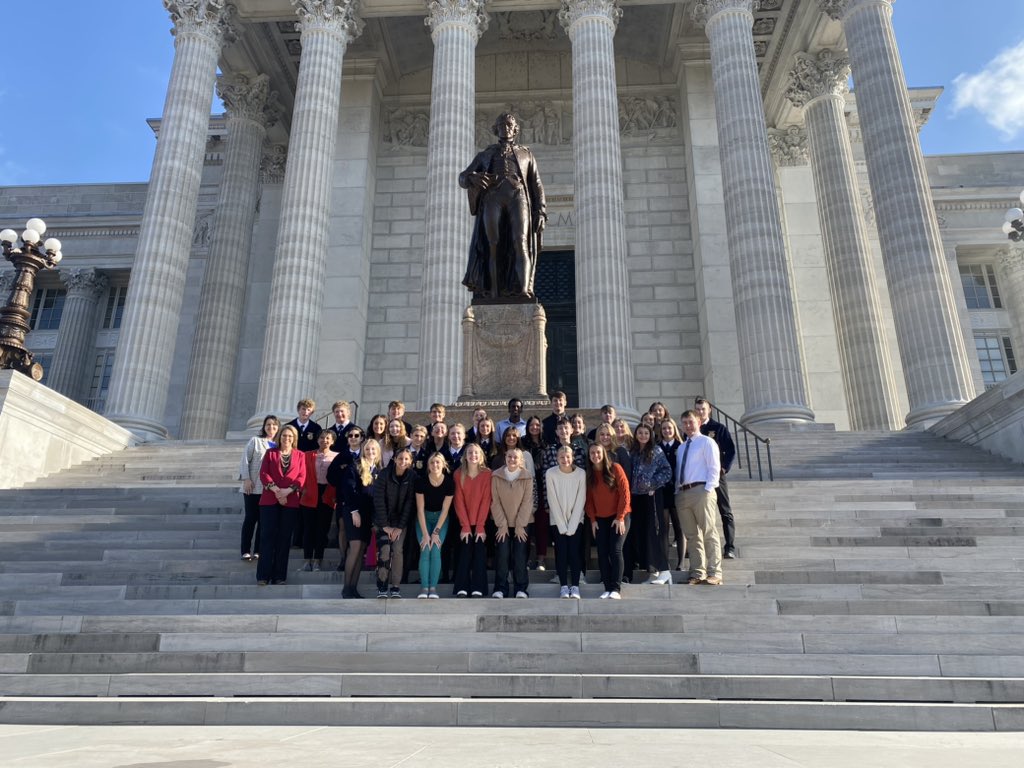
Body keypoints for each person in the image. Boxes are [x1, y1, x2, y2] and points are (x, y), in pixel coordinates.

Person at [459, 112, 547, 300]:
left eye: (509, 124)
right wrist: (473, 177)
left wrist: (541, 211)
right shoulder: (486, 154)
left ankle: (524, 290)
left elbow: (536, 184)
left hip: (518, 197)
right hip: (493, 198)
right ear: (495, 129)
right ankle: (493, 292)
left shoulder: (526, 154)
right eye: (501, 125)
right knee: (493, 245)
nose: (505, 128)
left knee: (520, 241)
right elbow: (463, 177)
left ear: (515, 129)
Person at [676, 409, 723, 586]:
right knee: (692, 535)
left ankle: (715, 572)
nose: (687, 426)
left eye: (691, 422)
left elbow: (714, 467)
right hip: (683, 493)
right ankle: (697, 572)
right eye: (684, 422)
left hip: (701, 490)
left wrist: (708, 489)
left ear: (699, 423)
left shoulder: (707, 442)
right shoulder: (681, 447)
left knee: (709, 532)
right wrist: (677, 491)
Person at [256, 425, 306, 586]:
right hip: (270, 500)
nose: (287, 438)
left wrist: (287, 492)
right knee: (267, 537)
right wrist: (277, 491)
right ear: (279, 437)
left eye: (290, 436)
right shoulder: (270, 453)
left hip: (290, 501)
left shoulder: (300, 455)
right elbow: (264, 473)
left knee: (284, 540)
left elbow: (301, 477)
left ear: (294, 438)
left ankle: (279, 576)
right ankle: (263, 576)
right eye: (284, 435)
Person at [332, 437, 381, 598]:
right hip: (354, 512)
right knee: (354, 548)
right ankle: (346, 588)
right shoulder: (356, 466)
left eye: (373, 449)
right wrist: (354, 512)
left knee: (361, 551)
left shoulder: (378, 470)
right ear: (363, 451)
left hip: (367, 515)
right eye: (367, 449)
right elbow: (349, 489)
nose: (370, 452)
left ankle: (354, 588)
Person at [628, 423, 673, 585]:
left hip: (651, 496)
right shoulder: (633, 452)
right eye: (640, 433)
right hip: (636, 498)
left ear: (651, 435)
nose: (643, 436)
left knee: (655, 532)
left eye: (646, 433)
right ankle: (652, 572)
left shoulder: (656, 451)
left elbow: (667, 471)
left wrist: (653, 484)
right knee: (643, 534)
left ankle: (665, 571)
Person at [586, 443, 631, 600]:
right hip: (600, 519)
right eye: (592, 453)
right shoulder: (590, 474)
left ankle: (616, 589)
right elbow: (589, 501)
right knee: (602, 553)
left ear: (603, 453)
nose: (595, 455)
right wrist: (592, 520)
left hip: (619, 517)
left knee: (616, 550)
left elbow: (625, 494)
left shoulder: (615, 468)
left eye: (598, 452)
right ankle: (607, 588)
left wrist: (620, 517)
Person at [696, 396, 738, 559]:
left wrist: (724, 468)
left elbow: (730, 450)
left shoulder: (718, 428)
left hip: (716, 476)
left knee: (724, 510)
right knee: (701, 513)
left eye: (703, 409)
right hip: (698, 477)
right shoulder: (693, 429)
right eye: (697, 409)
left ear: (709, 409)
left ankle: (730, 546)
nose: (700, 412)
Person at [373, 447, 416, 598]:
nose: (403, 461)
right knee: (385, 550)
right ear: (395, 459)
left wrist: (398, 527)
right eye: (400, 458)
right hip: (382, 521)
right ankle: (382, 586)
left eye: (406, 459)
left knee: (397, 550)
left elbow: (410, 503)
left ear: (410, 462)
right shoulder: (384, 474)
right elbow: (378, 500)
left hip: (400, 523)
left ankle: (395, 586)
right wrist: (385, 525)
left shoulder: (412, 476)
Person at [491, 448, 533, 598]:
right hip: (502, 524)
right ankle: (500, 588)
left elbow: (527, 503)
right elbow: (495, 502)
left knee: (520, 556)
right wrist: (502, 525)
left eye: (516, 457)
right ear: (505, 458)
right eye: (509, 456)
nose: (512, 460)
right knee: (502, 555)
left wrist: (520, 526)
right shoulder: (496, 476)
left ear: (521, 460)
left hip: (522, 524)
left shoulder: (527, 477)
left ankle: (521, 588)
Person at [546, 445, 586, 599]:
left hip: (576, 521)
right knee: (561, 553)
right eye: (561, 457)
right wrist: (562, 525)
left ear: (573, 457)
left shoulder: (581, 474)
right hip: (557, 522)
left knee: (575, 553)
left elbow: (581, 498)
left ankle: (575, 586)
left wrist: (573, 525)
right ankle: (563, 586)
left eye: (568, 456)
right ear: (557, 458)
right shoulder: (551, 473)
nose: (565, 459)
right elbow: (552, 499)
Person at [238, 414, 279, 562]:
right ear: (264, 427)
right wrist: (246, 478)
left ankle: (258, 550)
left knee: (264, 521)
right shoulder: (255, 441)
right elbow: (245, 459)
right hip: (253, 486)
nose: (271, 428)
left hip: (269, 490)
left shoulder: (279, 445)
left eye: (274, 425)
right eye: (268, 425)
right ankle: (245, 550)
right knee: (250, 518)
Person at [453, 443, 492, 597]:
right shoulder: (458, 474)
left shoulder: (488, 474)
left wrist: (480, 526)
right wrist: (465, 526)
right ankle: (461, 587)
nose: (473, 455)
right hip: (464, 523)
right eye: (470, 453)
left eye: (476, 453)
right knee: (464, 553)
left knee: (479, 554)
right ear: (465, 456)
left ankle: (478, 587)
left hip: (481, 522)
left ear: (481, 456)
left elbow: (486, 500)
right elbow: (458, 501)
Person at [415, 452, 455, 599]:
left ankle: (433, 588)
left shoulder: (449, 483)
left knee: (436, 549)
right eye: (432, 463)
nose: (435, 465)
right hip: (424, 518)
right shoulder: (421, 482)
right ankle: (424, 588)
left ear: (443, 464)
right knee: (425, 548)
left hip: (440, 518)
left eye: (438, 462)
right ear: (428, 465)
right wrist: (426, 534)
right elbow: (419, 509)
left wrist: (436, 532)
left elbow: (445, 510)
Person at [298, 429, 339, 572]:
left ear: (333, 441)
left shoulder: (337, 457)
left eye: (328, 438)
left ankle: (317, 560)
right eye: (321, 437)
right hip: (310, 494)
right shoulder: (308, 455)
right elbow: (301, 473)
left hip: (327, 495)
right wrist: (302, 489)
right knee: (308, 529)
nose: (324, 440)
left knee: (322, 530)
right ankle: (307, 560)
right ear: (317, 440)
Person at [329, 426, 365, 571]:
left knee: (362, 530)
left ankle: (360, 558)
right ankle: (344, 558)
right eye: (350, 436)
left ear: (362, 438)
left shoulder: (366, 454)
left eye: (357, 435)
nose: (353, 438)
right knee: (343, 527)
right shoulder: (341, 456)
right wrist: (344, 482)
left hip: (363, 500)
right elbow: (330, 476)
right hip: (344, 498)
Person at [287, 398, 321, 546]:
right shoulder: (289, 427)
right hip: (291, 468)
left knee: (305, 503)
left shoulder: (316, 427)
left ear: (311, 412)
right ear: (298, 410)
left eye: (308, 410)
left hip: (308, 470)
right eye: (302, 409)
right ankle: (292, 538)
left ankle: (301, 539)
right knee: (293, 503)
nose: (305, 412)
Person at [658, 417, 685, 570]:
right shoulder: (657, 447)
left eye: (669, 428)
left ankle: (681, 563)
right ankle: (665, 563)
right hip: (662, 491)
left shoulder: (680, 447)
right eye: (664, 429)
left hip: (677, 491)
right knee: (664, 529)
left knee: (679, 527)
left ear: (674, 429)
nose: (667, 431)